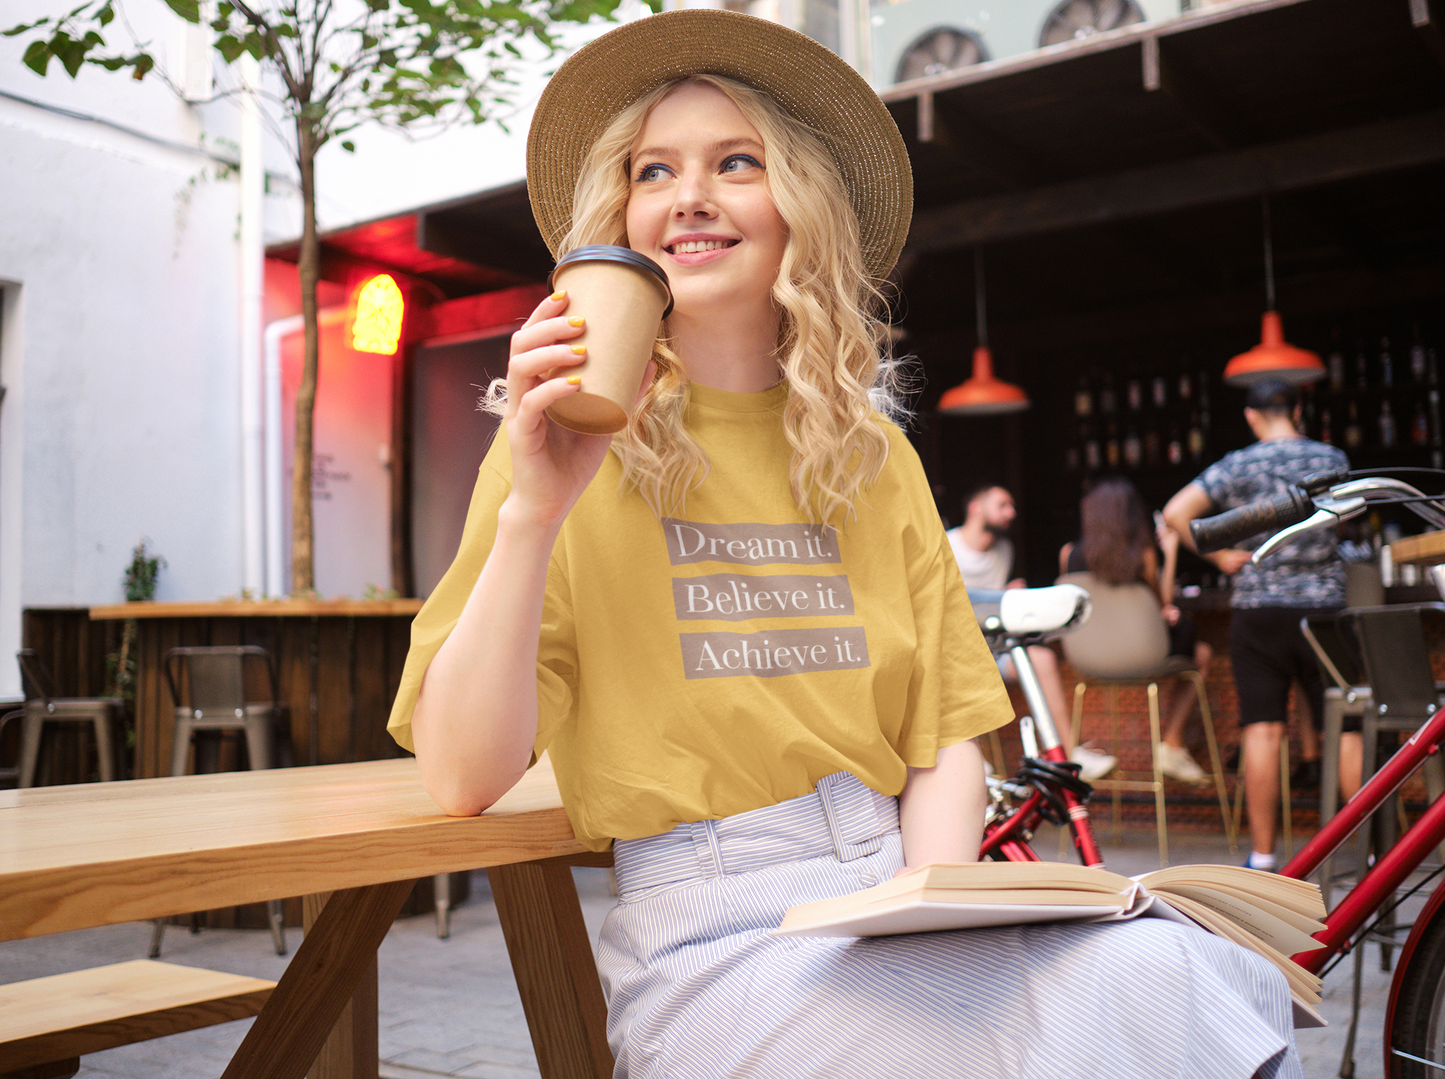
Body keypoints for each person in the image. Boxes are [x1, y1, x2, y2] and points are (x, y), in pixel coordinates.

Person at [387, 12, 1303, 1077]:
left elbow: (943, 743)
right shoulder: (554, 447)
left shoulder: (873, 456)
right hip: (713, 938)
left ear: (798, 211)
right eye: (653, 170)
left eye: (736, 162)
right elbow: (460, 771)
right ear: (621, 216)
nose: (688, 195)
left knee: (1181, 977)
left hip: (894, 888)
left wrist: (933, 911)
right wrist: (533, 511)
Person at [1164, 378, 1353, 872]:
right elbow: (1348, 525)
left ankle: (1265, 856)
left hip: (1260, 609)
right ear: (1297, 410)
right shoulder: (1332, 459)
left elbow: (1175, 511)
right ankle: (1373, 853)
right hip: (1325, 608)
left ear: (1252, 416)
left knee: (1263, 730)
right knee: (1347, 727)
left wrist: (1227, 554)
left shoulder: (1239, 463)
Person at [948, 483, 1117, 782]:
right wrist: (999, 595)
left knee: (1042, 659)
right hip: (954, 651)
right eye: (1002, 505)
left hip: (992, 648)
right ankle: (968, 762)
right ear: (976, 507)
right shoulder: (946, 545)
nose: (1011, 513)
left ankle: (1067, 754)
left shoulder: (1004, 550)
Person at [1059, 478, 1216, 784]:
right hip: (1145, 658)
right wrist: (1170, 552)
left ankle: (1170, 745)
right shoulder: (1142, 555)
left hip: (1088, 662)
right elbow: (1164, 604)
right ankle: (1171, 743)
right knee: (1203, 653)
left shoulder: (1069, 555)